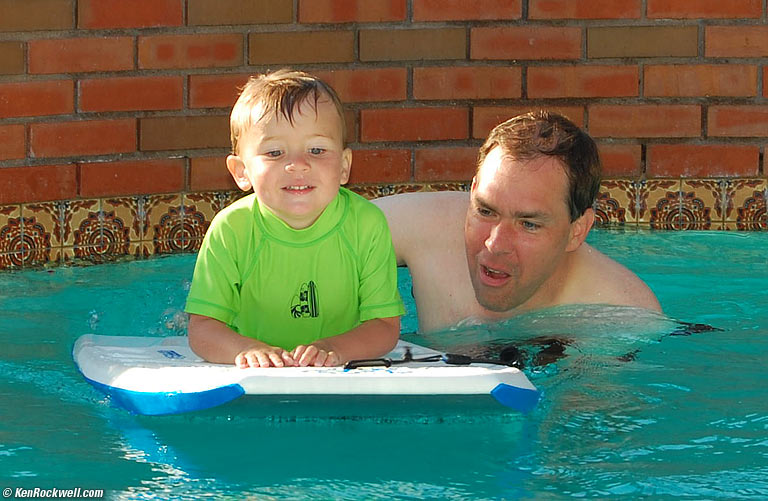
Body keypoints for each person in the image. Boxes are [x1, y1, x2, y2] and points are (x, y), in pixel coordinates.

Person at [185, 69, 404, 368]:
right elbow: (203, 329)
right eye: (275, 152)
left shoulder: (366, 225)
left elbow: (385, 326)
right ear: (241, 171)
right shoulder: (231, 230)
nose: (298, 164)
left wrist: (334, 348)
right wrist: (247, 350)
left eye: (317, 149)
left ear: (344, 166)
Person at [374, 111, 661, 333]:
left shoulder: (621, 313)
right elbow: (330, 230)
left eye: (528, 224)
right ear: (473, 192)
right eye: (486, 211)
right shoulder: (424, 225)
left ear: (578, 231)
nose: (495, 244)